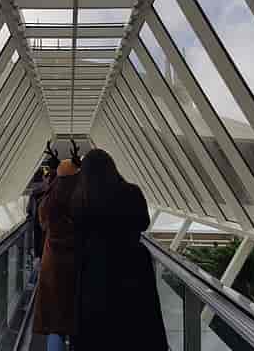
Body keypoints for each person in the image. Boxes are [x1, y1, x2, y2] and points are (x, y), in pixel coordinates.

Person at [71, 149, 167, 350]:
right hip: (132, 266)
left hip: (95, 271)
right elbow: (143, 222)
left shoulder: (81, 198)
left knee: (98, 331)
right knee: (136, 327)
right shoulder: (131, 192)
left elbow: (78, 234)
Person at [33, 158, 80, 351]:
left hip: (53, 264)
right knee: (77, 318)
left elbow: (42, 224)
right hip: (78, 264)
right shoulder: (83, 198)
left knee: (55, 321)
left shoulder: (49, 201)